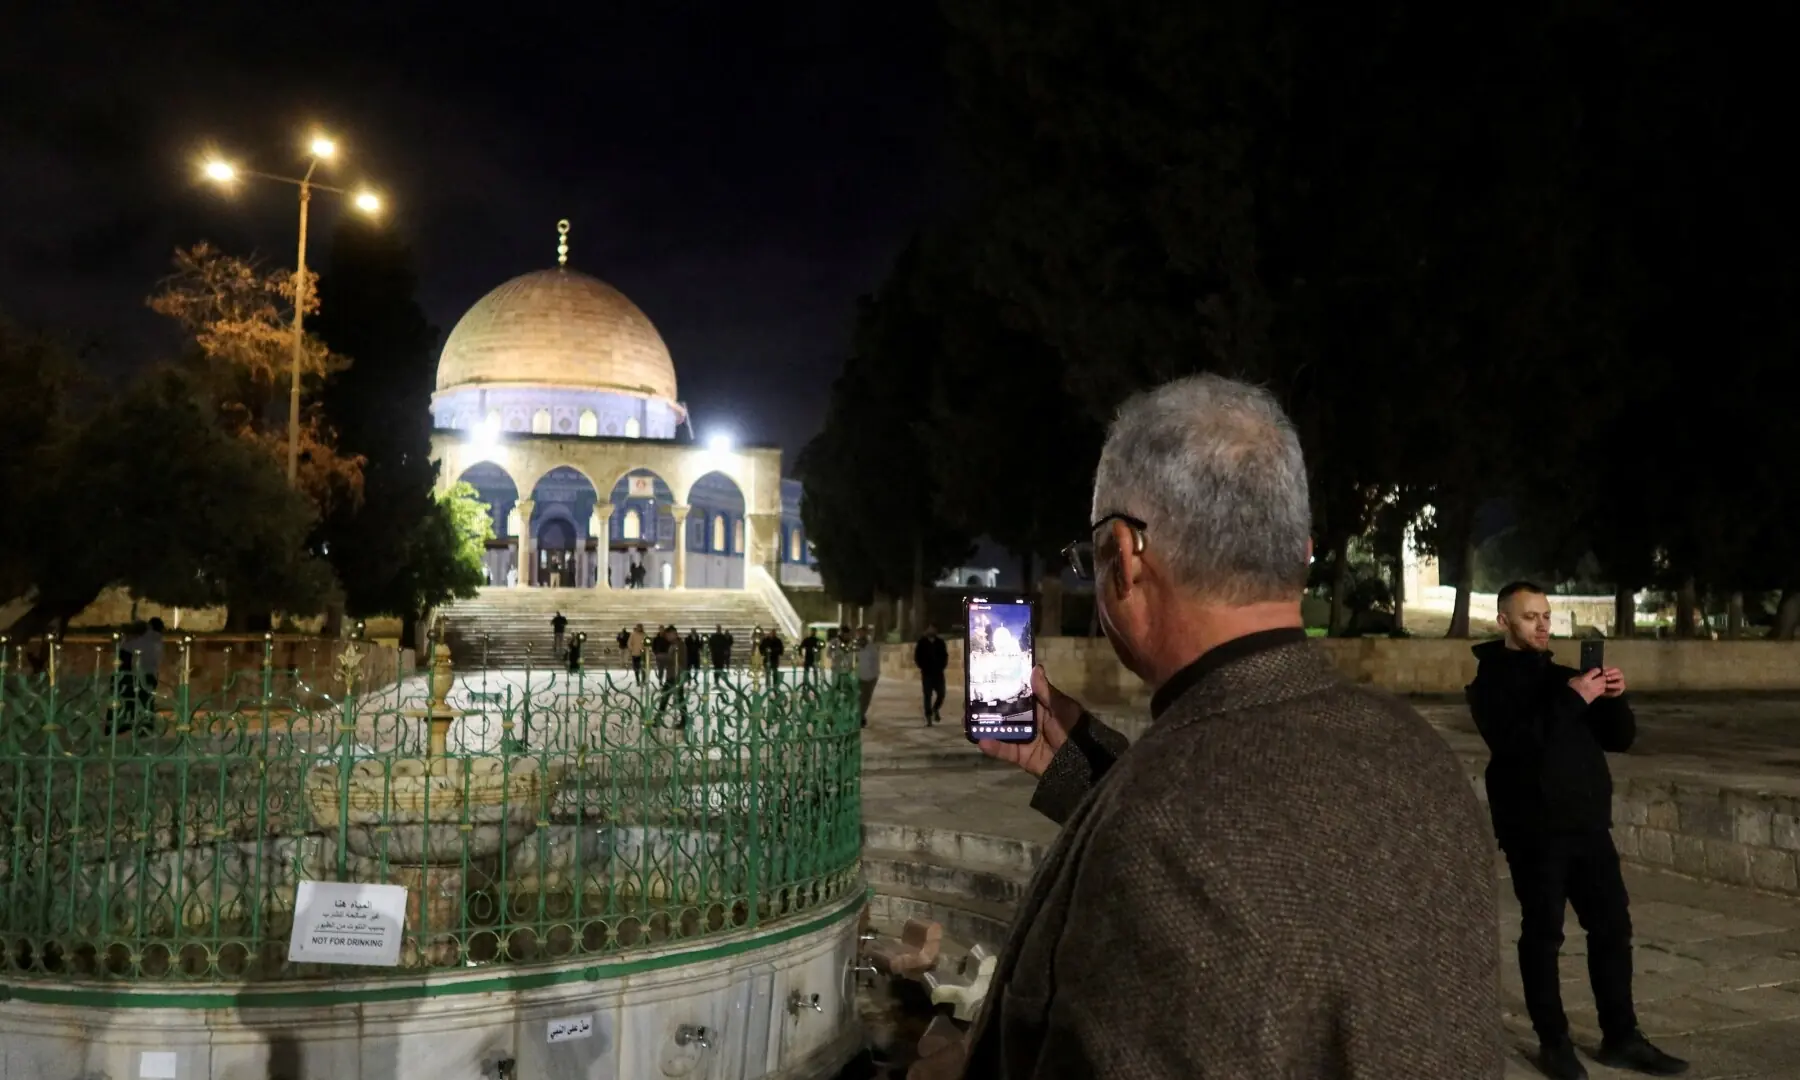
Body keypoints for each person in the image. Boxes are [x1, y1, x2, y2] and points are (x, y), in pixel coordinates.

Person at [933, 375, 1501, 1079]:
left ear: (1125, 555)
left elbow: (1209, 843)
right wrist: (1079, 767)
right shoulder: (1421, 756)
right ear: (1299, 552)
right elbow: (1284, 851)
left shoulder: (1162, 832)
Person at [1468, 582, 1688, 1079]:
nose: (1542, 625)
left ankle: (1621, 1036)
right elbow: (1518, 745)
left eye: (1546, 616)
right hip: (1534, 832)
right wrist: (1572, 701)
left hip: (1589, 827)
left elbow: (1620, 740)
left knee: (1613, 928)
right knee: (1544, 934)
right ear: (1504, 621)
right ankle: (1553, 1043)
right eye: (1530, 617)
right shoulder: (1489, 686)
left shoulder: (1567, 678)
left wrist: (1612, 698)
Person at [913, 624, 949, 726]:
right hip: (927, 673)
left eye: (933, 629)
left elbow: (945, 655)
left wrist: (942, 666)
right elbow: (917, 656)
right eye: (930, 629)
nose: (931, 630)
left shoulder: (940, 642)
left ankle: (935, 709)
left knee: (941, 694)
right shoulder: (922, 642)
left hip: (938, 672)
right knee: (927, 696)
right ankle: (928, 717)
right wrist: (922, 666)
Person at [855, 627, 881, 729]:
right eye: (859, 633)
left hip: (870, 677)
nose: (861, 635)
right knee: (858, 698)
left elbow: (876, 661)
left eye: (863, 633)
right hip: (858, 676)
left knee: (866, 699)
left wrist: (876, 675)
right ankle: (860, 717)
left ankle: (861, 716)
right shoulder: (854, 646)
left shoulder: (871, 647)